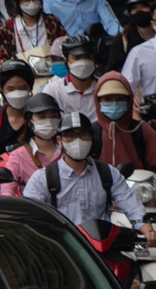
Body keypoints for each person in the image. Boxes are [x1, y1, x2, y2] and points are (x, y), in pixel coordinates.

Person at [24, 112, 156, 242]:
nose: (78, 140)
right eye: (70, 135)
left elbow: (131, 204)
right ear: (59, 140)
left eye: (83, 134)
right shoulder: (43, 178)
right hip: (63, 249)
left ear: (92, 138)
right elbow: (31, 217)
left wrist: (146, 228)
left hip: (102, 247)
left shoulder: (108, 173)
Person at [0, 0, 66, 67]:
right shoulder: (7, 28)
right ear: (17, 3)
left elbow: (65, 46)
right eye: (26, 0)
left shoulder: (52, 23)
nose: (31, 4)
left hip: (51, 75)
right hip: (21, 77)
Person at [94, 72, 156, 172]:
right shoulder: (92, 132)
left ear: (128, 101)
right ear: (98, 102)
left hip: (137, 186)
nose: (114, 104)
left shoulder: (142, 129)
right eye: (107, 99)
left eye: (120, 99)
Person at [43, 34, 103, 120]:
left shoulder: (103, 87)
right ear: (66, 61)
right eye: (77, 58)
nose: (84, 62)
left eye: (88, 57)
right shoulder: (54, 91)